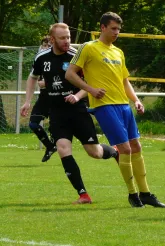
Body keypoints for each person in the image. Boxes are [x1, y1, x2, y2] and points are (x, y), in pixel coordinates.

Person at [65, 12, 165, 208]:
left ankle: (145, 193)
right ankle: (133, 195)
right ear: (102, 27)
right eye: (113, 28)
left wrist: (136, 100)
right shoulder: (88, 48)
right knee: (125, 149)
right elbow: (70, 74)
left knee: (136, 147)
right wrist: (91, 90)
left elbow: (124, 81)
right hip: (104, 106)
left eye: (119, 29)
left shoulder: (118, 52)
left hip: (123, 106)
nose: (117, 32)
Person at [21, 23, 120, 204]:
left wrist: (77, 95)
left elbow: (91, 82)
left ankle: (113, 152)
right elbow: (32, 77)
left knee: (95, 153)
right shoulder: (42, 58)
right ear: (52, 40)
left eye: (68, 37)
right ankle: (83, 194)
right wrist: (27, 101)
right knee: (63, 149)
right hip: (57, 113)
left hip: (77, 111)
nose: (67, 41)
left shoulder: (77, 56)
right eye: (62, 38)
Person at [20, 36, 57, 162]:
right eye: (43, 45)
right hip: (44, 98)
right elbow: (32, 78)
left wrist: (48, 83)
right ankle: (50, 146)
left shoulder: (60, 59)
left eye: (47, 45)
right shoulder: (40, 60)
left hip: (58, 98)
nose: (44, 48)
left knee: (57, 129)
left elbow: (67, 78)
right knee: (33, 123)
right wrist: (27, 101)